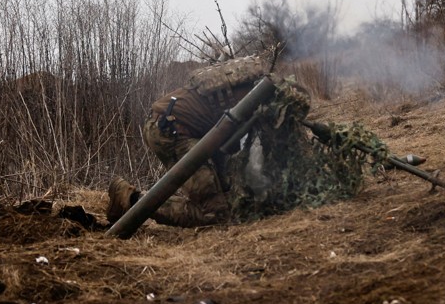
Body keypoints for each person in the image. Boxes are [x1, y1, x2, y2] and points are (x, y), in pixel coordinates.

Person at [108, 54, 309, 228]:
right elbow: (258, 151)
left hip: (172, 125)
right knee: (215, 213)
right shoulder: (262, 100)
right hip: (171, 133)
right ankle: (130, 199)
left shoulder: (255, 84)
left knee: (225, 192)